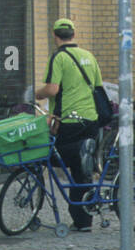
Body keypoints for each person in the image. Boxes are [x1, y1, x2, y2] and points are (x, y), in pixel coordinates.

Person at [35, 18, 104, 232]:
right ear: (73, 34)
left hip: (69, 121)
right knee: (81, 169)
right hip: (90, 120)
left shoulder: (59, 58)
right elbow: (98, 87)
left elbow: (53, 90)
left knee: (56, 160)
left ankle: (80, 217)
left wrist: (35, 93)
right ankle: (84, 220)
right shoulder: (89, 56)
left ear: (55, 35)